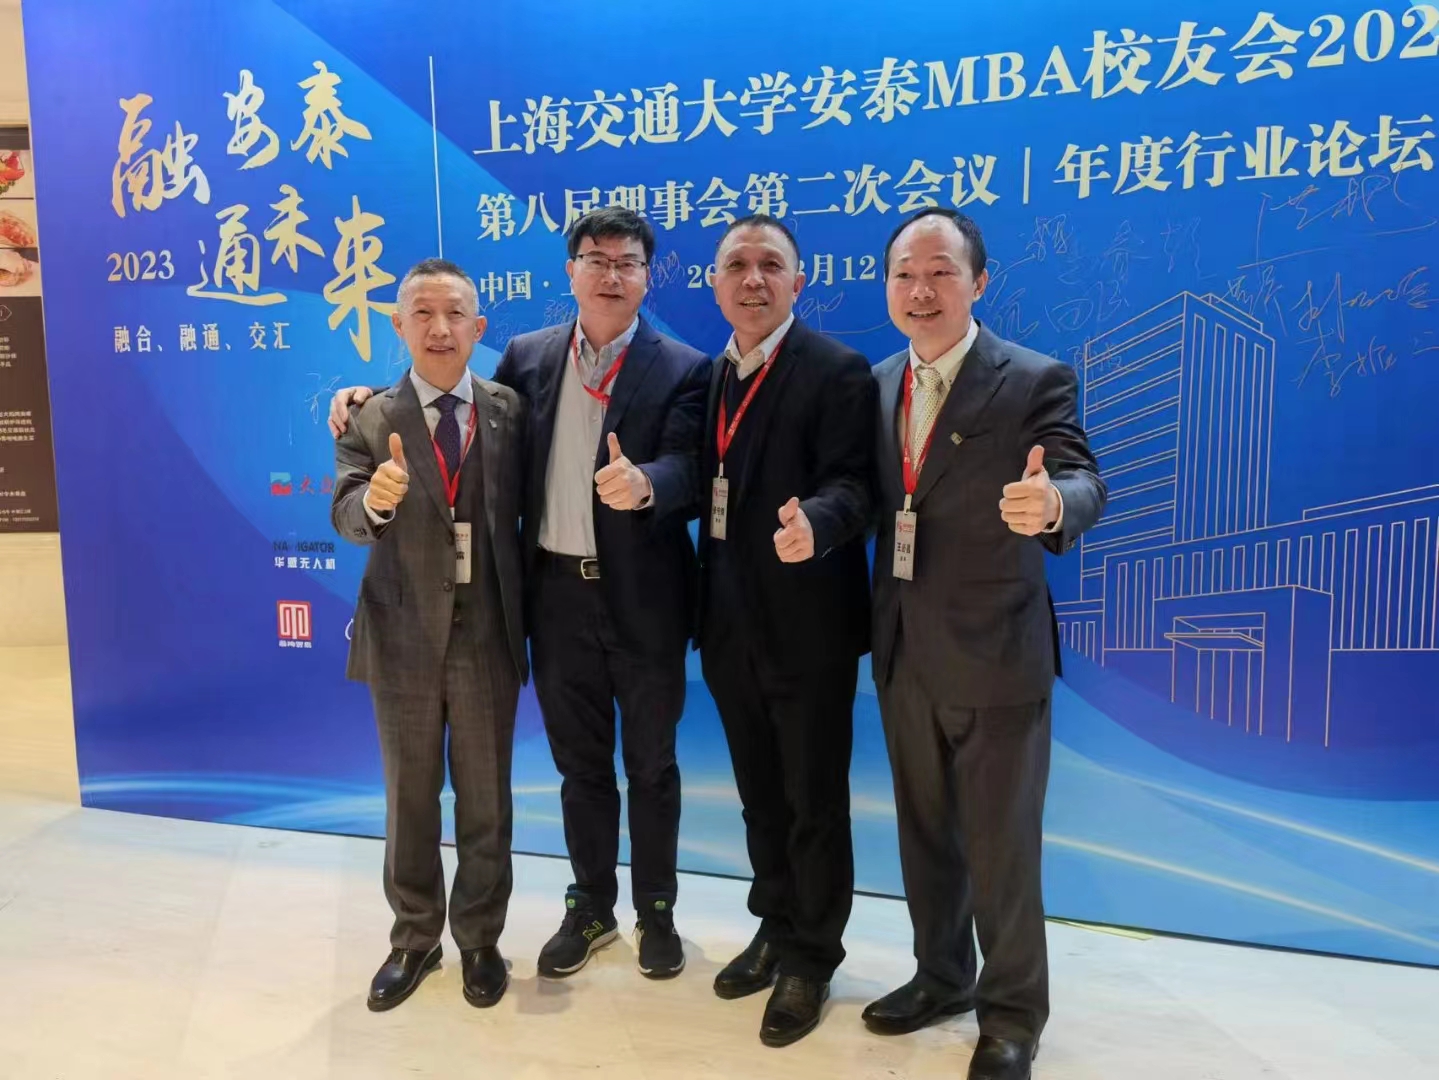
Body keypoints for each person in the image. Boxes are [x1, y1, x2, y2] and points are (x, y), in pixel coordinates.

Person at [329, 207, 711, 982]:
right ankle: (581, 908)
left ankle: (651, 912)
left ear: (647, 276)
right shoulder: (528, 361)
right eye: (595, 259)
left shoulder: (682, 367)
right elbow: (432, 419)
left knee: (647, 767)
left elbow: (691, 466)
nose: (610, 274)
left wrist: (646, 482)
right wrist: (362, 403)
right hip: (549, 601)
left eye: (627, 262)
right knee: (573, 770)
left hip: (635, 602)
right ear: (570, 271)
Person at [862, 208, 1106, 1080]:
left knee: (1001, 848)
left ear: (978, 282)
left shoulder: (1032, 378)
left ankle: (1010, 1017)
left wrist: (1053, 505)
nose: (920, 290)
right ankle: (941, 977)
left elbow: (1080, 476)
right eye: (903, 274)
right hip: (904, 651)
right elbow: (864, 495)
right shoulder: (876, 382)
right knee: (924, 836)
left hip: (997, 654)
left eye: (940, 272)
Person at [697, 214, 876, 1048]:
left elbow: (856, 484)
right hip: (727, 627)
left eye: (771, 265)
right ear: (715, 284)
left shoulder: (835, 370)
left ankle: (811, 956)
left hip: (809, 630)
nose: (753, 279)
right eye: (736, 264)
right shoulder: (709, 378)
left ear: (797, 283)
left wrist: (820, 521)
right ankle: (774, 923)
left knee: (813, 802)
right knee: (759, 797)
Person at [331, 257, 528, 1012]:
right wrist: (375, 501)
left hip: (487, 636)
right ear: (399, 325)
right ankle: (414, 937)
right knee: (409, 798)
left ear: (479, 327)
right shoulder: (367, 417)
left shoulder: (510, 411)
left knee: (486, 801)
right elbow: (346, 514)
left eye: (455, 315)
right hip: (402, 635)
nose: (440, 329)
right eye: (423, 313)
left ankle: (479, 937)